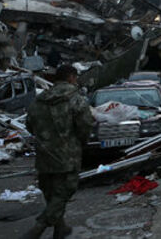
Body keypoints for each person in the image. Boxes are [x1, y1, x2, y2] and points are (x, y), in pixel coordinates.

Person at [24, 64, 94, 239]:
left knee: (51, 192)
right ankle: (38, 227)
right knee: (63, 193)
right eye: (75, 77)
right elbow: (85, 126)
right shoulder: (76, 99)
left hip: (44, 156)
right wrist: (80, 143)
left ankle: (60, 228)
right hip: (68, 156)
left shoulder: (39, 100)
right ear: (71, 77)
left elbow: (29, 125)